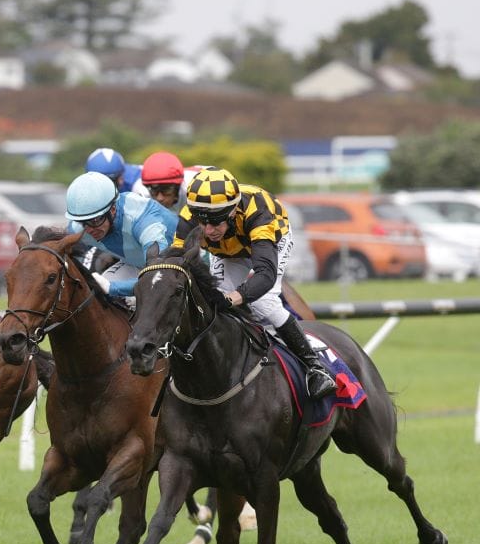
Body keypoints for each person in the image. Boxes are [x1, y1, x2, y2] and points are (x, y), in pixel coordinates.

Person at [176, 167, 336, 399]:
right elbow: (177, 258)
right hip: (228, 250)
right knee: (214, 303)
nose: (208, 230)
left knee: (264, 302)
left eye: (216, 221)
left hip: (270, 241)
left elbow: (265, 275)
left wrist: (232, 298)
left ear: (231, 212)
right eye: (202, 221)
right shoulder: (191, 214)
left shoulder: (258, 214)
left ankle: (315, 367)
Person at [64, 171, 178, 300]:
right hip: (137, 264)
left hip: (177, 268)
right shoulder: (78, 227)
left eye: (95, 220)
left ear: (112, 210)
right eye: (84, 222)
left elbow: (158, 278)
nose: (90, 230)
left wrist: (112, 288)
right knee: (98, 297)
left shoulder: (144, 222)